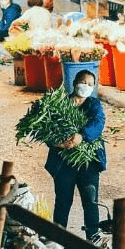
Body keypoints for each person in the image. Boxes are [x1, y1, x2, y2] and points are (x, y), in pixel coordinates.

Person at [45, 69, 106, 239]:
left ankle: (93, 241)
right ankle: (57, 241)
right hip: (63, 162)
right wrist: (58, 142)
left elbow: (98, 122)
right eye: (82, 82)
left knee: (91, 202)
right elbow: (46, 130)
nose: (85, 86)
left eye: (89, 84)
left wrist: (81, 136)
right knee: (63, 203)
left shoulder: (94, 105)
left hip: (88, 162)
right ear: (74, 83)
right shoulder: (59, 104)